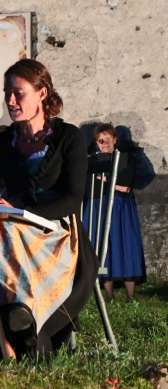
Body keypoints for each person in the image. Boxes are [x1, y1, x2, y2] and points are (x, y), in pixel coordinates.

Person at [0, 59, 99, 359]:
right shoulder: (1, 142)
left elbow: (73, 199)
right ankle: (17, 314)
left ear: (42, 93)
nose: (10, 101)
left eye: (18, 93)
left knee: (9, 229)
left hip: (58, 234)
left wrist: (18, 210)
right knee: (1, 231)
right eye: (6, 94)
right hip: (13, 228)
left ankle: (22, 313)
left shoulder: (69, 138)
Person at [83, 123, 146, 300]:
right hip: (99, 207)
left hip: (120, 208)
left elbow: (126, 187)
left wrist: (108, 182)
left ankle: (130, 296)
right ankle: (108, 296)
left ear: (115, 140)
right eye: (100, 141)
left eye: (107, 140)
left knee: (126, 246)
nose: (103, 144)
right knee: (104, 248)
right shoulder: (92, 160)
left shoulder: (125, 158)